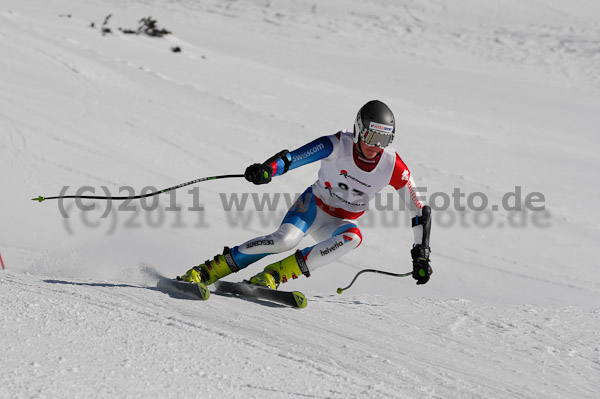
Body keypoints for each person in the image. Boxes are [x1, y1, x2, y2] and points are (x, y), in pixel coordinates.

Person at [179, 100, 432, 289]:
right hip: (312, 206)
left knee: (353, 237)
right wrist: (267, 171)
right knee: (284, 240)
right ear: (358, 129)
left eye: (383, 139)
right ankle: (206, 271)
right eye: (371, 136)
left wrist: (421, 252)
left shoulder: (392, 166)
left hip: (339, 221)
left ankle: (272, 276)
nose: (375, 146)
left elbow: (419, 210)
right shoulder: (336, 144)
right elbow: (292, 159)